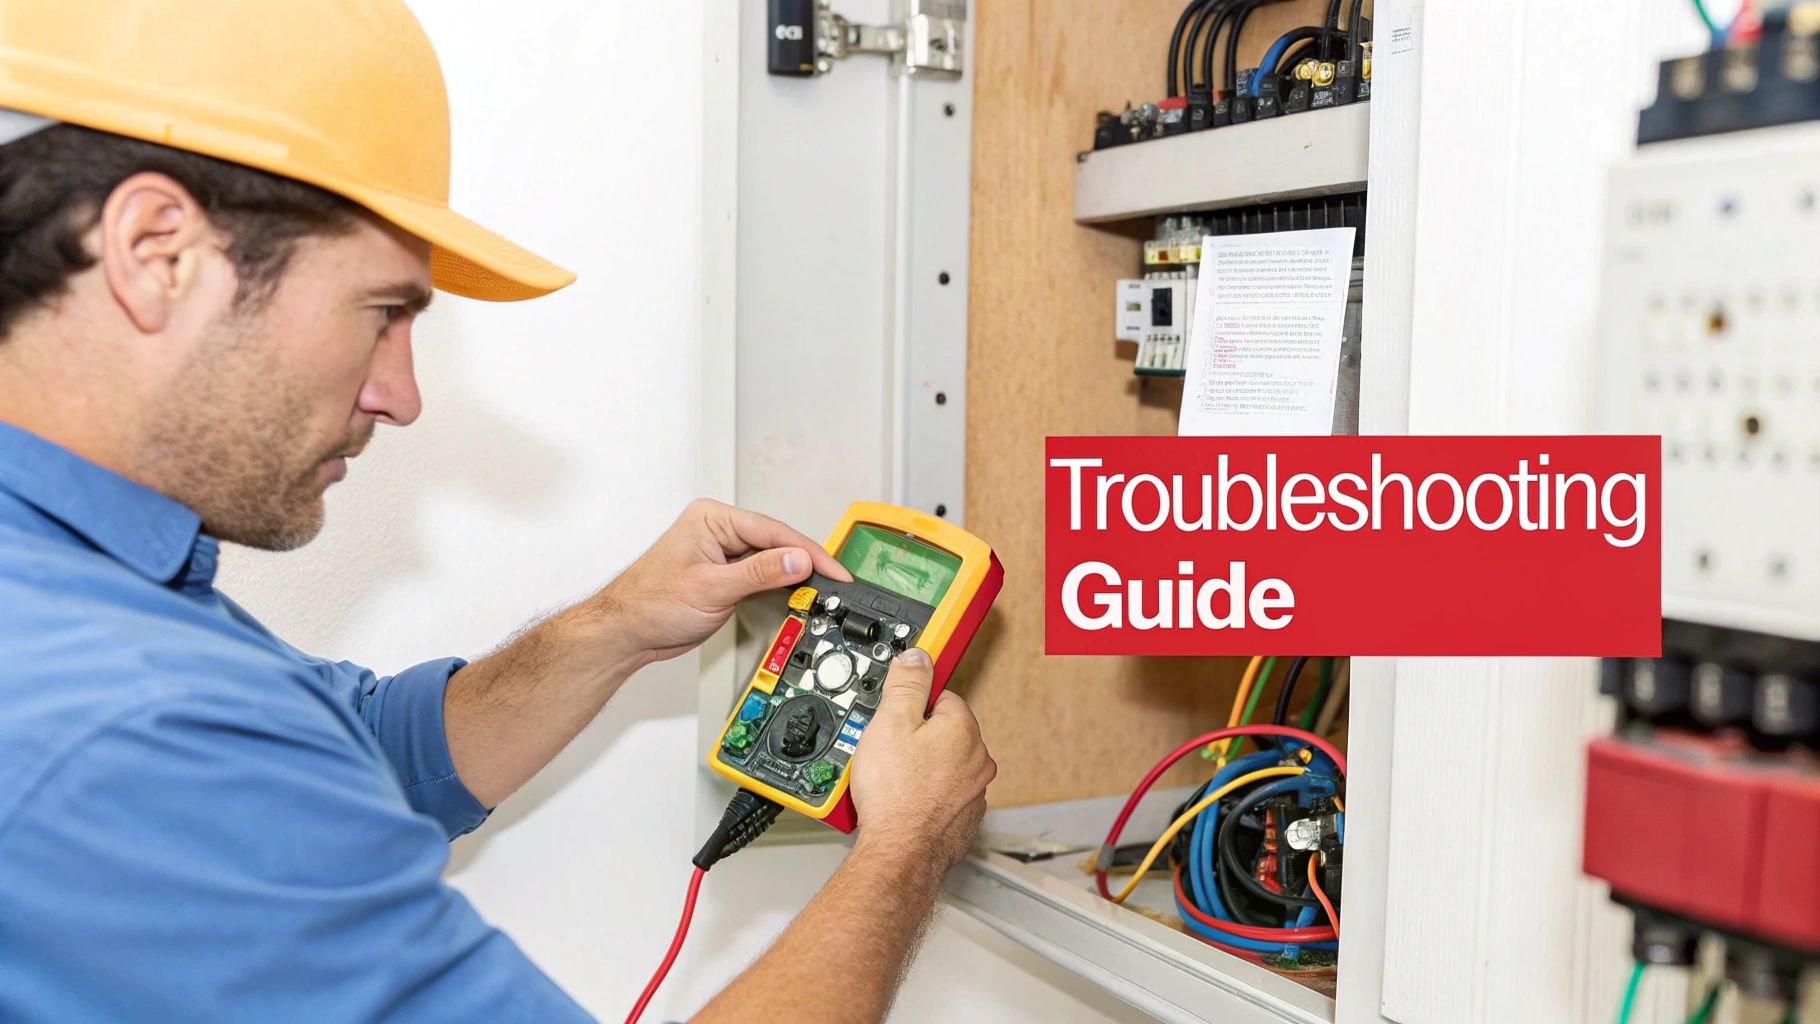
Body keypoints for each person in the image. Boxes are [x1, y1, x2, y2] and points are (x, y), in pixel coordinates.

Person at [0, 2, 995, 1021]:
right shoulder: (119, 724)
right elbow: (229, 773)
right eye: (383, 312)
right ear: (156, 250)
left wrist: (614, 625)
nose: (402, 393)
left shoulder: (76, 574)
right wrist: (903, 850)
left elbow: (354, 749)